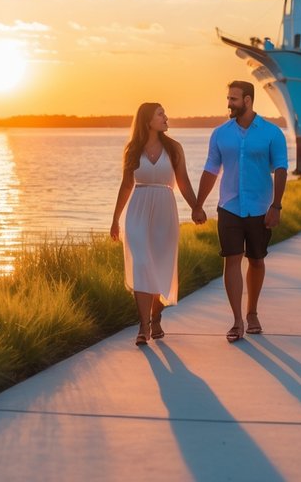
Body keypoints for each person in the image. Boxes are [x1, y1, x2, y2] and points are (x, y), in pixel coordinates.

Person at [196, 80, 288, 343]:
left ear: (248, 100)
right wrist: (198, 204)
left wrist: (276, 205)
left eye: (234, 99)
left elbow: (280, 169)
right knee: (232, 260)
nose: (229, 103)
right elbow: (211, 169)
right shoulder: (220, 134)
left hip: (260, 207)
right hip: (229, 207)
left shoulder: (272, 133)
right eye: (228, 98)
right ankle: (237, 319)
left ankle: (252, 312)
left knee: (257, 260)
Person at [110, 103, 205, 346]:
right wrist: (115, 220)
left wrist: (196, 206)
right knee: (141, 264)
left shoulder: (173, 148)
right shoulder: (132, 149)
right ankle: (143, 327)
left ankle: (156, 316)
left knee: (160, 266)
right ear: (147, 120)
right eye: (160, 114)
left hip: (165, 209)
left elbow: (182, 181)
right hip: (138, 210)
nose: (166, 117)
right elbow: (125, 185)